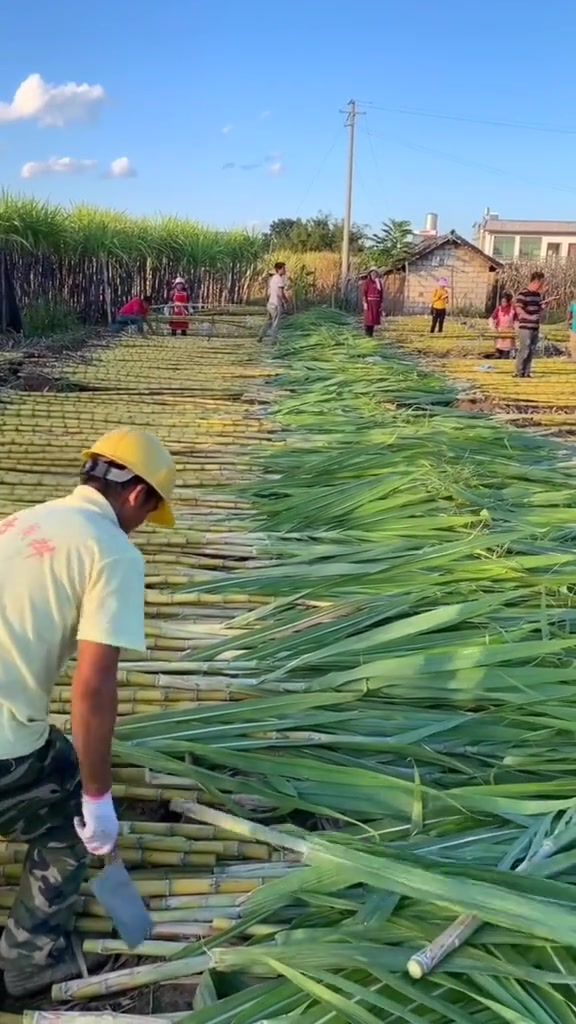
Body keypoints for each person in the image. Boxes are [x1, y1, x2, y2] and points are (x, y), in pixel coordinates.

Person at [0, 427, 176, 998]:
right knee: (67, 814)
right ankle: (29, 959)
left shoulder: (20, 521)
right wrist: (97, 801)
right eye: (150, 511)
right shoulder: (112, 551)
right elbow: (94, 688)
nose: (144, 523)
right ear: (136, 496)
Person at [514, 270, 549, 378]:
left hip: (535, 327)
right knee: (524, 349)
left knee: (531, 350)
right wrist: (529, 317)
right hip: (525, 327)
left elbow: (538, 308)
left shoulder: (537, 295)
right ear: (536, 281)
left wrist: (544, 305)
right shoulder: (523, 293)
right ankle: (519, 372)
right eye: (541, 283)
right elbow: (518, 309)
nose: (542, 285)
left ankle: (527, 372)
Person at [258, 262, 288, 342]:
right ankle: (273, 340)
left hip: (270, 303)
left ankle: (260, 336)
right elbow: (280, 293)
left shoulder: (273, 278)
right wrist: (285, 301)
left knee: (268, 322)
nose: (285, 270)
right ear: (279, 269)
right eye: (283, 269)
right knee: (275, 323)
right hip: (276, 304)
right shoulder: (279, 279)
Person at [489, 291, 517, 359]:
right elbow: (491, 318)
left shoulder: (513, 310)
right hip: (499, 333)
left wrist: (515, 330)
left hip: (509, 334)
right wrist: (493, 328)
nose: (503, 303)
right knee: (498, 353)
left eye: (505, 302)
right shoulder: (498, 309)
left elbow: (516, 321)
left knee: (506, 354)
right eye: (502, 302)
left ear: (508, 302)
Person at [362, 268, 383, 337]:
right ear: (370, 275)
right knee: (368, 318)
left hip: (376, 303)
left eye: (375, 274)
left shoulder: (378, 282)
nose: (374, 275)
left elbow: (381, 293)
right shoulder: (367, 282)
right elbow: (364, 293)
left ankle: (371, 334)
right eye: (372, 274)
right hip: (369, 303)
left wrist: (381, 303)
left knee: (374, 319)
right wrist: (365, 302)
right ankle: (367, 333)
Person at [567, 296, 576, 361]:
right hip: (574, 328)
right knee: (574, 344)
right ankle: (574, 358)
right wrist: (569, 321)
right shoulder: (573, 303)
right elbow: (569, 313)